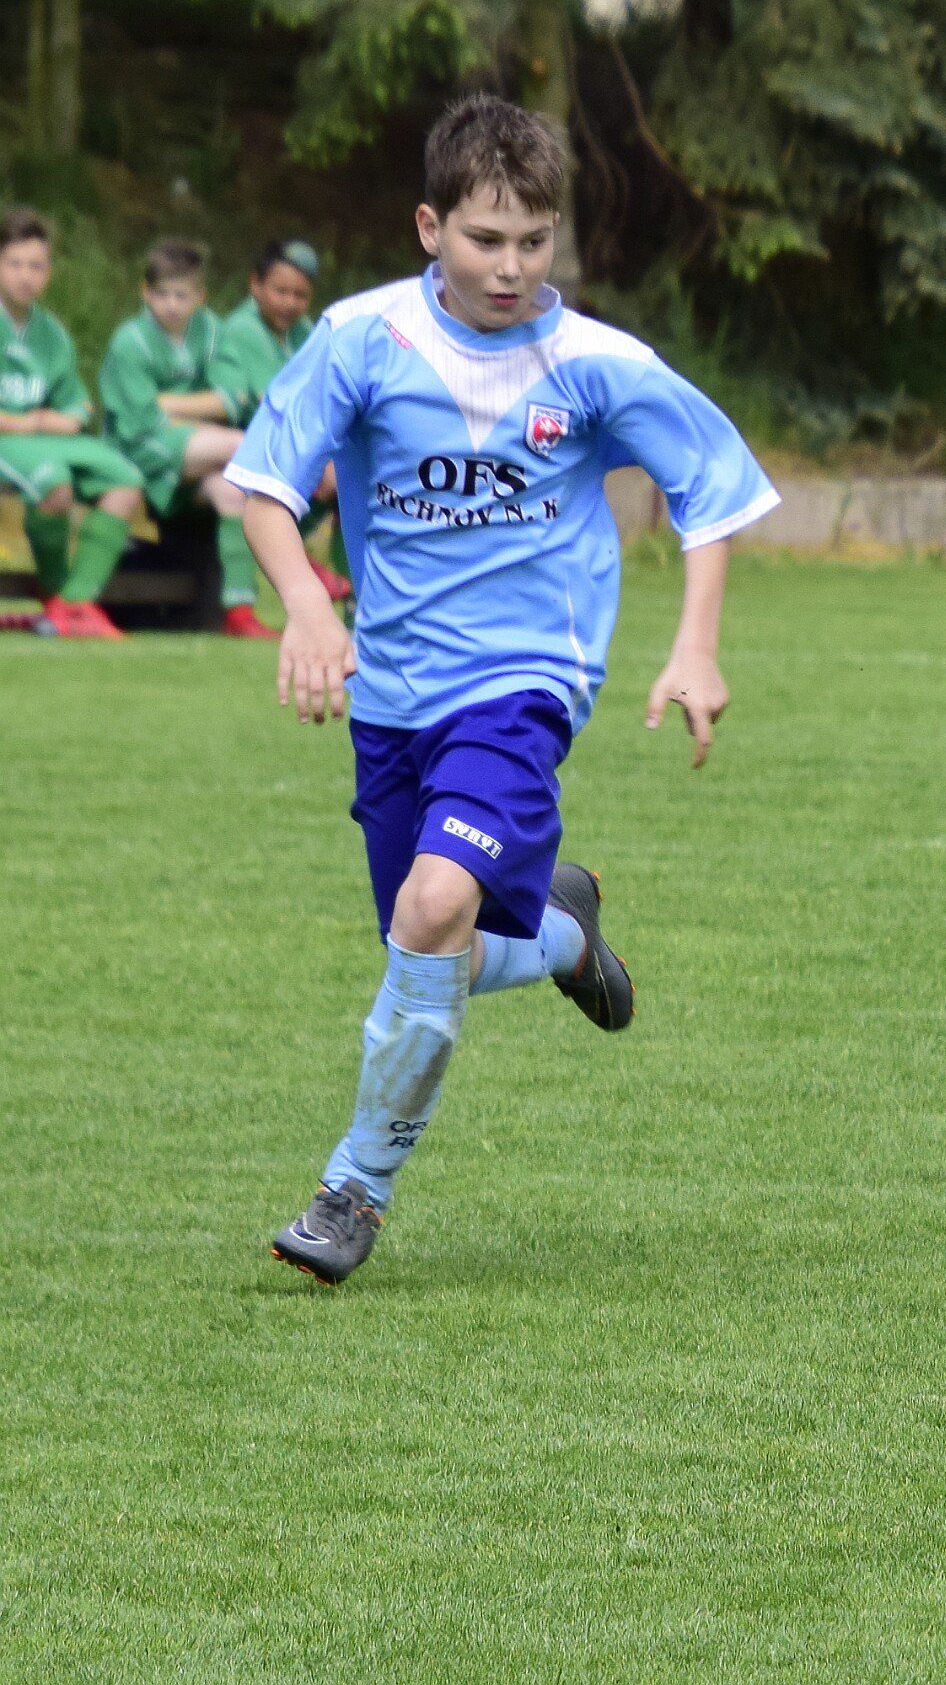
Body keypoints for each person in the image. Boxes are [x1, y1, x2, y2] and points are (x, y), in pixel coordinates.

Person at [229, 93, 781, 1285]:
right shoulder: (364, 338)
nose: (511, 265)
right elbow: (263, 484)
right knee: (433, 944)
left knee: (434, 908)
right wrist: (310, 606)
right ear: (431, 226)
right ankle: (566, 932)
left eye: (534, 240)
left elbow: (714, 485)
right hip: (394, 694)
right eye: (485, 238)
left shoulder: (593, 364)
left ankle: (352, 1192)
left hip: (526, 684)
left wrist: (696, 645)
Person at [99, 240, 273, 637]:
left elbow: (232, 399)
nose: (171, 305)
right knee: (244, 446)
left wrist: (168, 404)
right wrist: (202, 415)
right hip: (135, 450)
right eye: (162, 294)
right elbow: (140, 419)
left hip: (193, 448)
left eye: (181, 295)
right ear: (145, 293)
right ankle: (294, 539)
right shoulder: (130, 341)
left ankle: (239, 611)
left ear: (200, 296)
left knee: (232, 492)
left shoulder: (211, 330)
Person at [0, 206, 152, 638]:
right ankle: (54, 592)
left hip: (44, 438)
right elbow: (43, 419)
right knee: (55, 484)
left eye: (36, 266)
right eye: (15, 263)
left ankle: (76, 603)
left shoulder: (51, 332)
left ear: (48, 273)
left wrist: (61, 418)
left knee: (125, 479)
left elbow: (76, 406)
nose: (26, 276)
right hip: (13, 439)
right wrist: (32, 423)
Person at [215, 237, 350, 604]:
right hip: (247, 447)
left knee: (352, 476)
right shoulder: (244, 328)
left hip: (290, 446)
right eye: (280, 291)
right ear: (255, 285)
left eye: (300, 294)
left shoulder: (304, 329)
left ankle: (352, 588)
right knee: (339, 479)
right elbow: (270, 404)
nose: (290, 303)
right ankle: (306, 566)